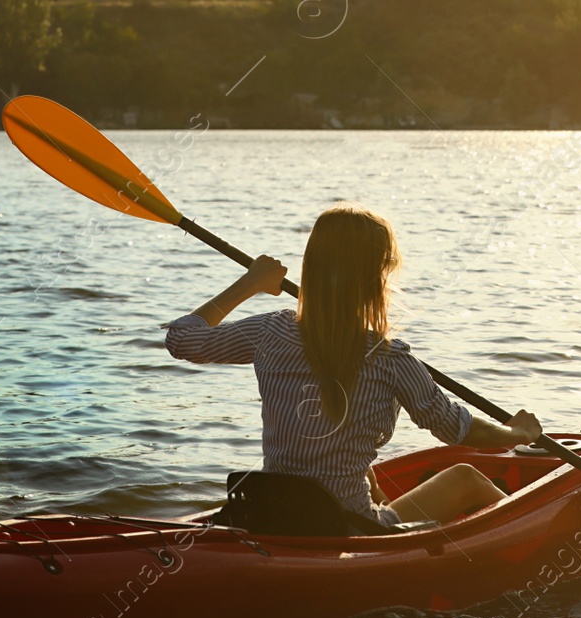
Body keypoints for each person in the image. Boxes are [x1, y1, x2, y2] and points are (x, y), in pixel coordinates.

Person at [165, 204, 541, 528]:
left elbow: (181, 339)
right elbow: (457, 429)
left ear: (311, 265)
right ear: (378, 277)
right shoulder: (390, 359)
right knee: (465, 478)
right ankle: (522, 540)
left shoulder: (269, 332)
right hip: (347, 528)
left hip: (275, 516)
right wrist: (517, 435)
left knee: (373, 480)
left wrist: (250, 283)